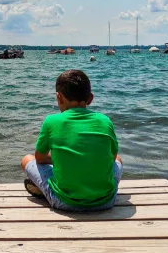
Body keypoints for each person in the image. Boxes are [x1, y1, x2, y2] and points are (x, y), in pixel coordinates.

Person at [21, 69, 122, 211]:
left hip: (64, 202)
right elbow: (111, 157)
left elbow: (40, 158)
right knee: (118, 158)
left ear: (59, 97)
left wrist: (62, 157)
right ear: (90, 98)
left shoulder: (51, 121)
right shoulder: (105, 121)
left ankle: (45, 190)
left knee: (27, 159)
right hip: (105, 201)